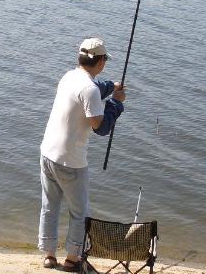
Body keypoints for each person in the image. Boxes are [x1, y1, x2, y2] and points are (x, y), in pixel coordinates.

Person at [38, 38, 126, 271]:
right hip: (71, 161)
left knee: (50, 206)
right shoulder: (89, 89)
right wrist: (116, 103)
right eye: (105, 59)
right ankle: (73, 259)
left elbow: (95, 89)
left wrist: (111, 86)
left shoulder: (69, 76)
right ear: (101, 61)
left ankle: (48, 255)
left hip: (48, 153)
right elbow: (101, 127)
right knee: (81, 212)